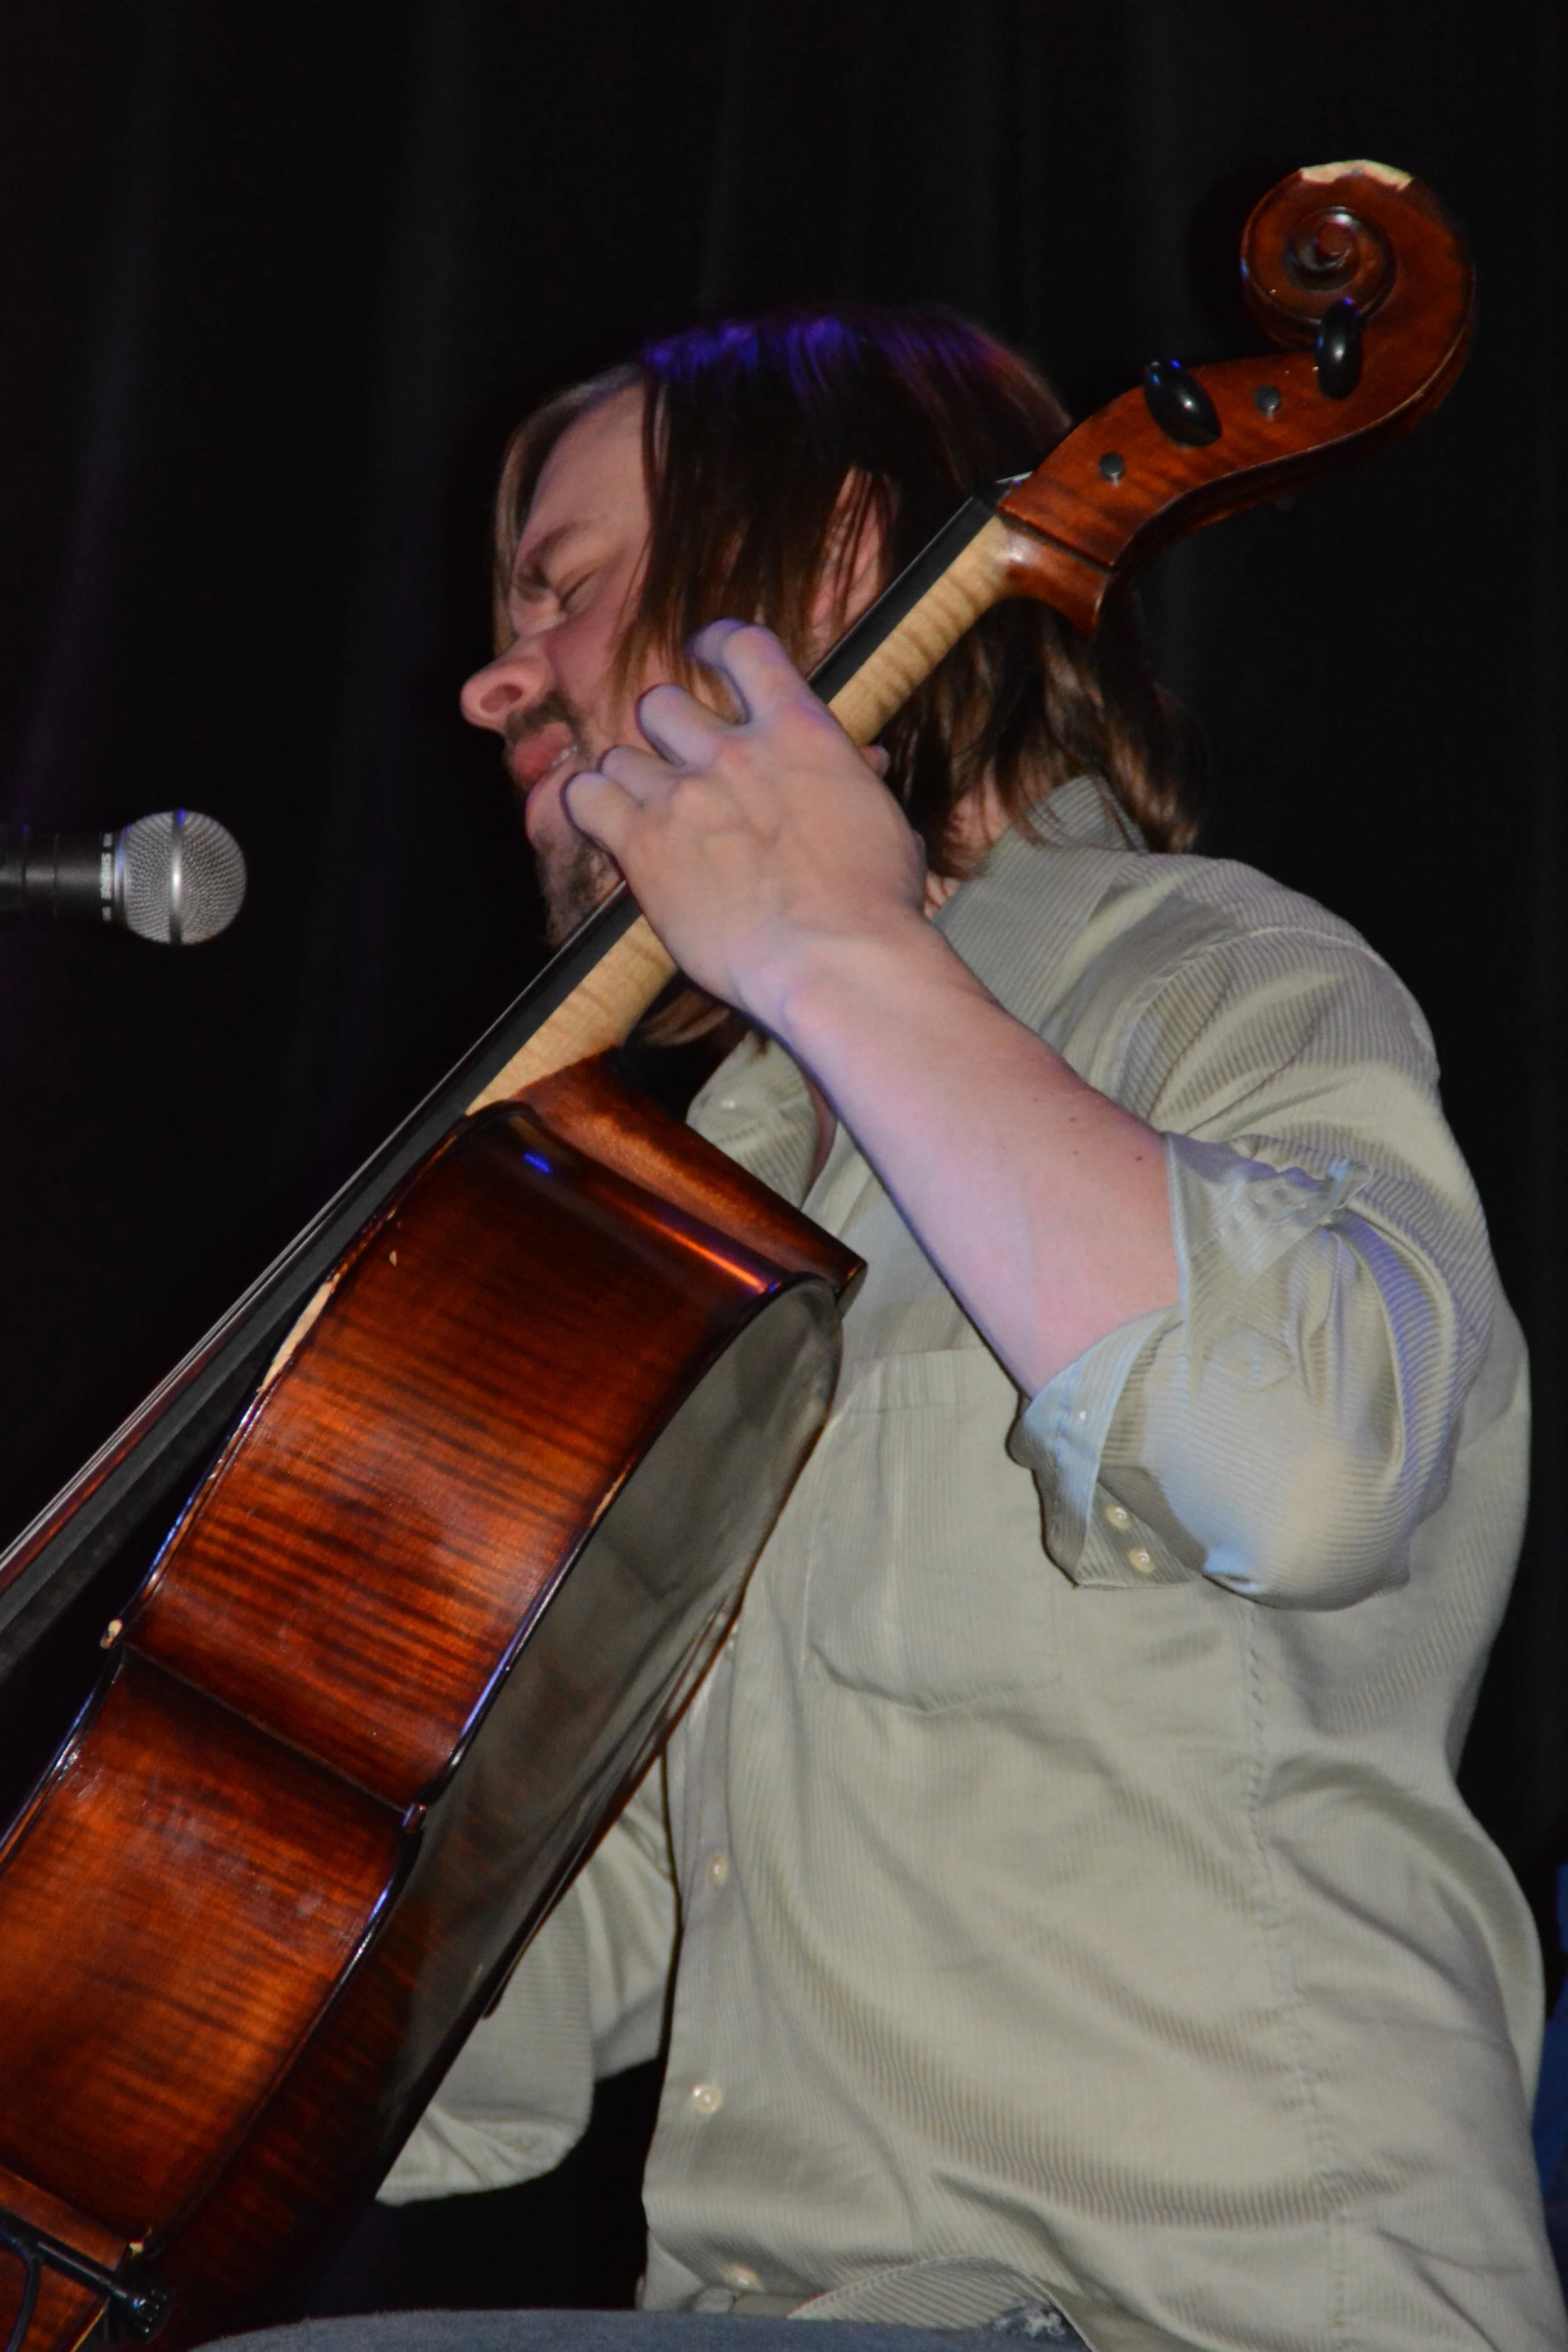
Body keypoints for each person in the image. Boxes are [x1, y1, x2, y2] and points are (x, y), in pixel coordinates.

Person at [368, 310, 1562, 2352]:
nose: (496, 678)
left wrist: (836, 944)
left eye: (564, 587)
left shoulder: (1215, 979)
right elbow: (548, 1978)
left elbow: (1298, 1464)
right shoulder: (712, 1203)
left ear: (836, 569)